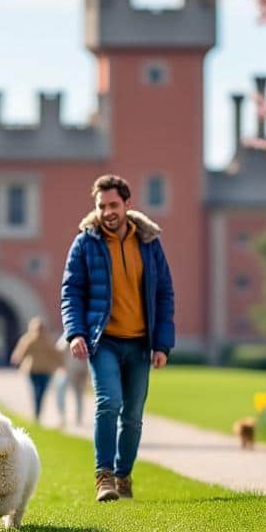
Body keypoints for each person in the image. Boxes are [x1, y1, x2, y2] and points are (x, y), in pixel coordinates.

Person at [61, 174, 175, 502]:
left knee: (134, 415)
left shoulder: (150, 242)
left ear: (127, 204)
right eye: (101, 206)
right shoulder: (85, 242)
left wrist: (162, 344)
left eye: (113, 205)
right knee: (108, 401)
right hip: (104, 340)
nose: (107, 211)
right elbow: (72, 291)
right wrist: (76, 333)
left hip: (141, 342)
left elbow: (164, 293)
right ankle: (104, 476)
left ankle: (124, 475)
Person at [9, 316, 64, 423]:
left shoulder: (28, 339)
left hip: (32, 369)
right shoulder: (48, 340)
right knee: (41, 392)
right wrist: (61, 365)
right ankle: (38, 412)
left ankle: (37, 413)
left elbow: (20, 352)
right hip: (45, 370)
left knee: (36, 391)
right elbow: (57, 354)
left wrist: (16, 359)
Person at [54, 334, 90, 427]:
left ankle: (73, 419)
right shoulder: (73, 332)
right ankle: (68, 418)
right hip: (73, 370)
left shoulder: (77, 333)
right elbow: (59, 349)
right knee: (72, 394)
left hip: (76, 370)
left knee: (72, 394)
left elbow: (59, 348)